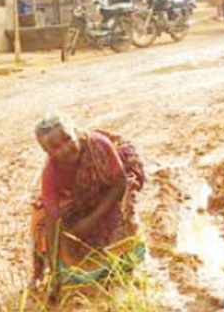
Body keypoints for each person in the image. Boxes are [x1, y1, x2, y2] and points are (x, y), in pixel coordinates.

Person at [31, 115, 146, 294]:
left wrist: (90, 221)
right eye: (55, 148)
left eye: (68, 139)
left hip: (109, 192)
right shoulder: (51, 173)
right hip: (81, 199)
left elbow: (119, 184)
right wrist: (54, 273)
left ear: (75, 132)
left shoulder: (99, 145)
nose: (65, 149)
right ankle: (37, 274)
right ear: (48, 153)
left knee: (125, 244)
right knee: (40, 222)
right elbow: (53, 218)